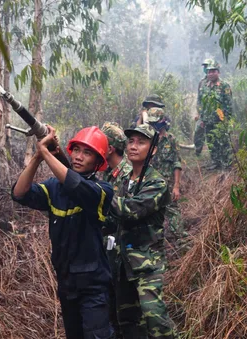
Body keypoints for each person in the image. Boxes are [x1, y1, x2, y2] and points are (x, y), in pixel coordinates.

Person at [12, 125, 115, 338]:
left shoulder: (102, 191)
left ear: (98, 162)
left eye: (87, 153)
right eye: (76, 150)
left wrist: (47, 153)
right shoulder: (54, 188)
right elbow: (19, 193)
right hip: (67, 283)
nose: (79, 157)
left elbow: (76, 186)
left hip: (94, 287)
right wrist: (37, 158)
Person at [106, 124, 175, 339]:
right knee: (127, 320)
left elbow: (130, 210)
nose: (134, 146)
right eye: (131, 141)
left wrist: (96, 194)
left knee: (155, 319)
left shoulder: (157, 183)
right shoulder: (123, 180)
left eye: (141, 142)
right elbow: (111, 219)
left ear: (152, 150)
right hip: (122, 263)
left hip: (147, 264)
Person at [100, 122, 133, 338]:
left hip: (123, 251)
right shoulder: (108, 173)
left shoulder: (127, 175)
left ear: (110, 148)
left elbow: (126, 214)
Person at [146, 109, 187, 242]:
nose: (153, 126)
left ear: (162, 122)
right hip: (151, 182)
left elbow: (177, 163)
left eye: (155, 123)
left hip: (167, 182)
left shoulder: (171, 140)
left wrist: (176, 186)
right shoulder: (148, 140)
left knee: (172, 210)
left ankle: (179, 239)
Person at [194, 60, 233, 168]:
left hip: (220, 121)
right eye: (209, 71)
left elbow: (228, 105)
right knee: (211, 142)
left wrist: (227, 121)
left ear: (218, 72)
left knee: (223, 142)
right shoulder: (204, 86)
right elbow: (200, 102)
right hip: (207, 120)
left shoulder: (224, 86)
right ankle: (215, 162)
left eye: (213, 71)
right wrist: (201, 118)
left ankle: (226, 164)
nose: (210, 73)